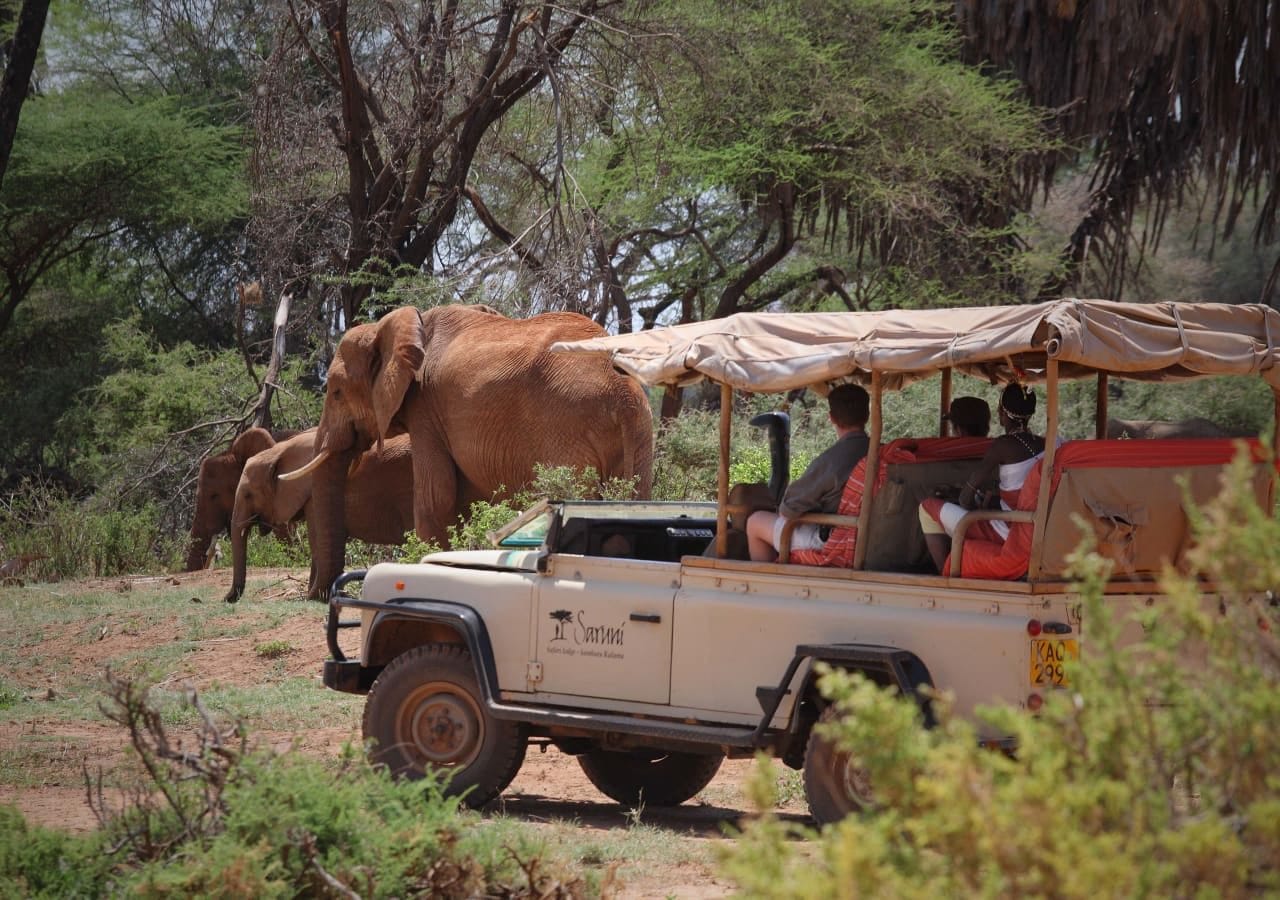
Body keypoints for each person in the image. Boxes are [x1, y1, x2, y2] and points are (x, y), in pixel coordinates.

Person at [918, 383, 1044, 573]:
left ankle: (946, 573)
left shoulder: (1002, 446)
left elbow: (964, 500)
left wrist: (969, 499)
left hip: (1008, 532)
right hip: (1036, 528)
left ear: (1001, 413)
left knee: (926, 507)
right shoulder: (1047, 444)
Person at [746, 384, 871, 562]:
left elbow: (788, 510)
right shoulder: (879, 452)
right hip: (870, 535)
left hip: (834, 538)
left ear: (831, 418)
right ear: (867, 415)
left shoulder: (832, 460)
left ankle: (763, 585)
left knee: (755, 522)